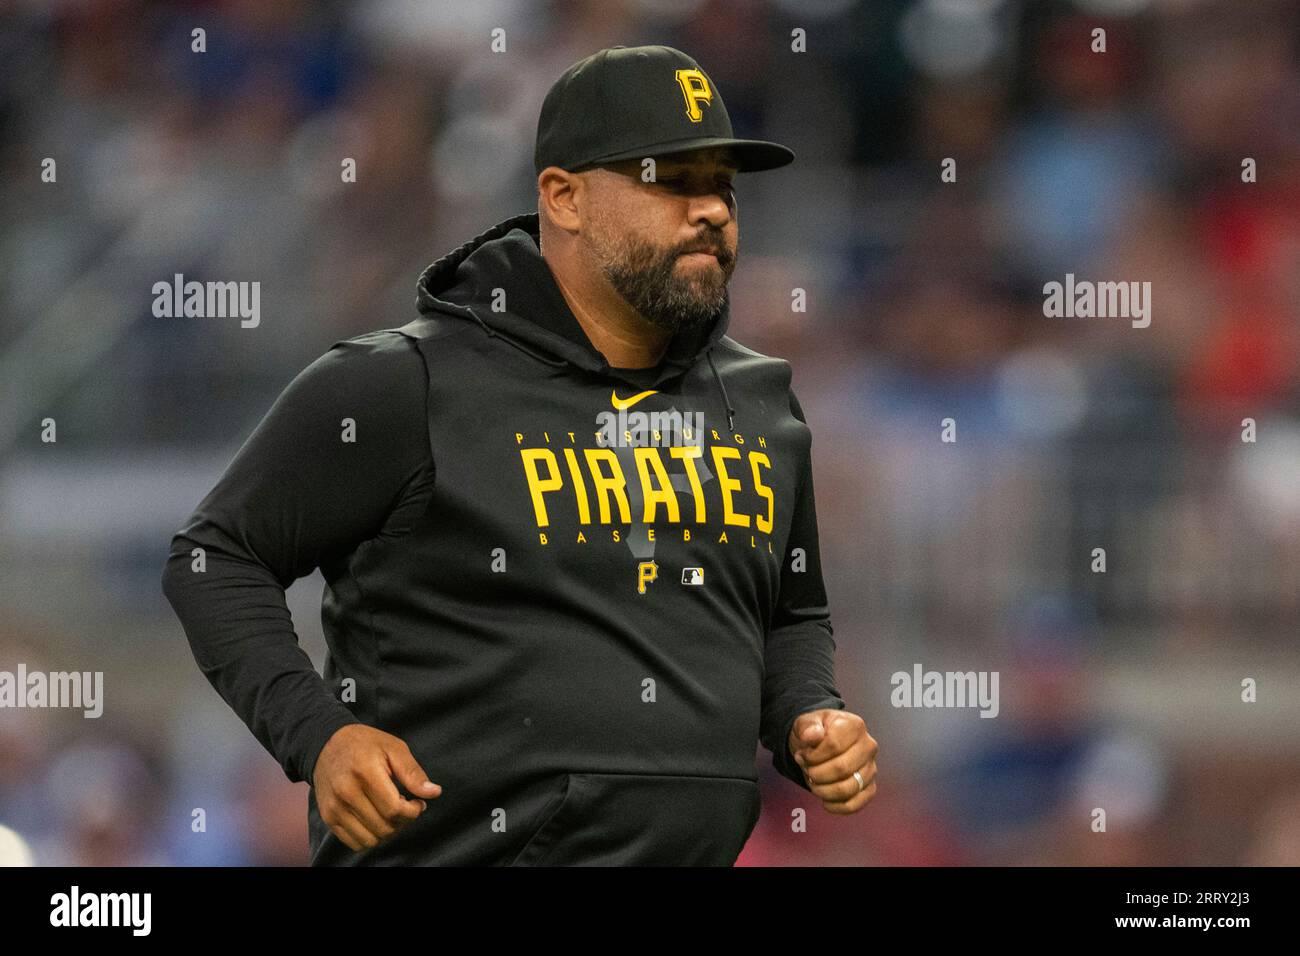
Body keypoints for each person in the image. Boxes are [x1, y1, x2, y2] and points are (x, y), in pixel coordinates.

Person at [161, 44, 878, 866]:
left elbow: (790, 611)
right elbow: (215, 557)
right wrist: (319, 737)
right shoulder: (407, 383)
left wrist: (808, 714)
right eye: (670, 180)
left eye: (722, 183)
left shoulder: (758, 401)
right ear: (564, 198)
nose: (710, 209)